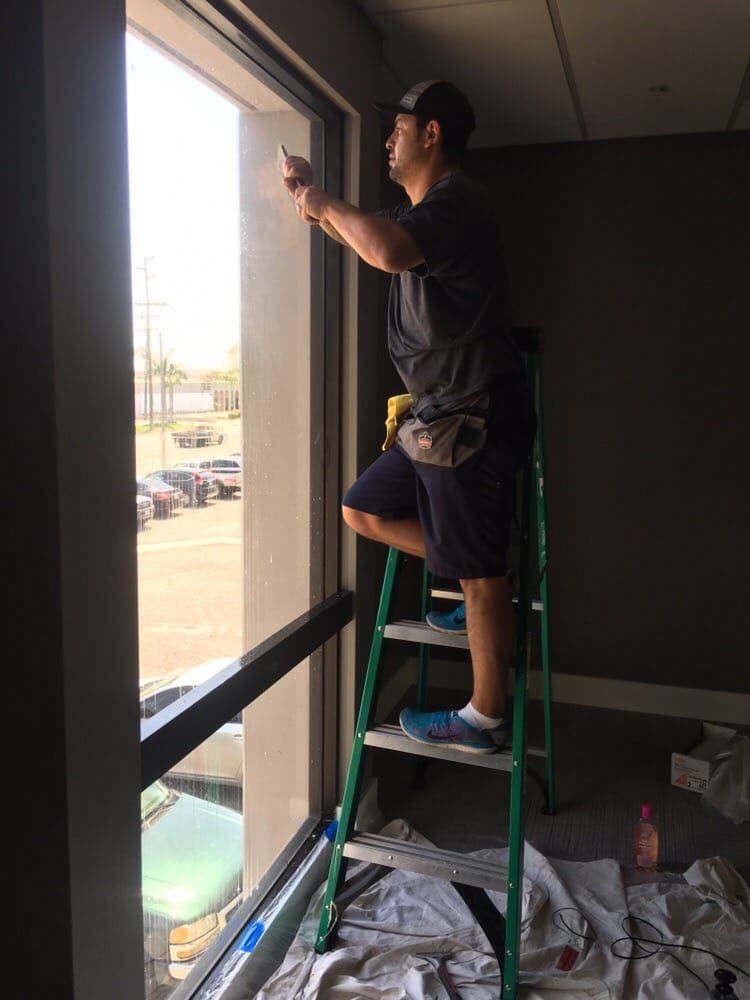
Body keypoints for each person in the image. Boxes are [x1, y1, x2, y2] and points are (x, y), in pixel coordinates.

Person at [283, 80, 534, 755]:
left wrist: (327, 202)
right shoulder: (425, 213)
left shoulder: (458, 201)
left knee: (480, 577)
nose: (388, 139)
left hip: (470, 412)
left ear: (433, 135)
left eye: (399, 126)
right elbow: (373, 238)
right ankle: (478, 571)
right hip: (434, 415)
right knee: (362, 508)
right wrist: (314, 202)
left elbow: (385, 250)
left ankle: (486, 717)